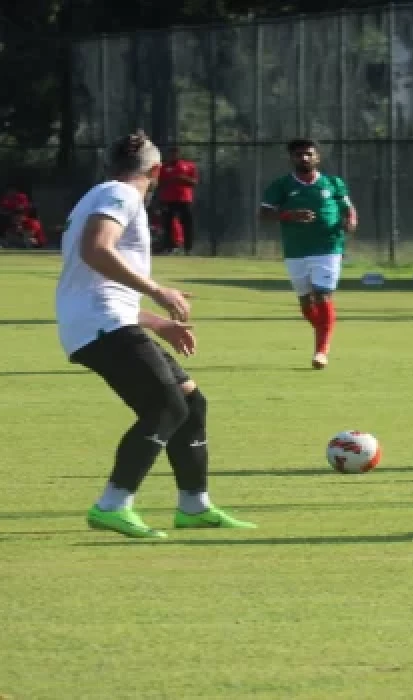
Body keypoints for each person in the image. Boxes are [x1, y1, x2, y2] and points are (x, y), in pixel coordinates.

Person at [55, 130, 255, 539]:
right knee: (166, 407)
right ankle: (113, 504)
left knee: (189, 401)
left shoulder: (100, 194)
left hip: (104, 320)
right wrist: (158, 291)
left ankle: (194, 506)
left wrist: (157, 322)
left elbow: (100, 286)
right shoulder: (121, 195)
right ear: (158, 171)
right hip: (101, 325)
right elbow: (97, 250)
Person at [259, 139, 358, 370]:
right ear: (291, 159)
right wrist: (289, 216)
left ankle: (321, 351)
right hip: (296, 251)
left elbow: (347, 208)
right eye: (298, 155)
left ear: (317, 157)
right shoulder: (281, 185)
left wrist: (351, 220)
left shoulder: (333, 183)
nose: (304, 158)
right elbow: (264, 213)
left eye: (308, 154)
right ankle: (325, 327)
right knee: (306, 304)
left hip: (328, 248)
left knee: (322, 296)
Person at [157, 146, 198, 254]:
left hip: (184, 199)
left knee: (187, 224)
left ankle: (188, 248)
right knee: (167, 224)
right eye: (171, 153)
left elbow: (194, 182)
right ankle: (168, 247)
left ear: (178, 154)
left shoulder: (188, 166)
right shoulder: (163, 168)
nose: (173, 155)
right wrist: (169, 181)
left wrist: (182, 178)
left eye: (175, 153)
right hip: (168, 199)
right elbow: (159, 183)